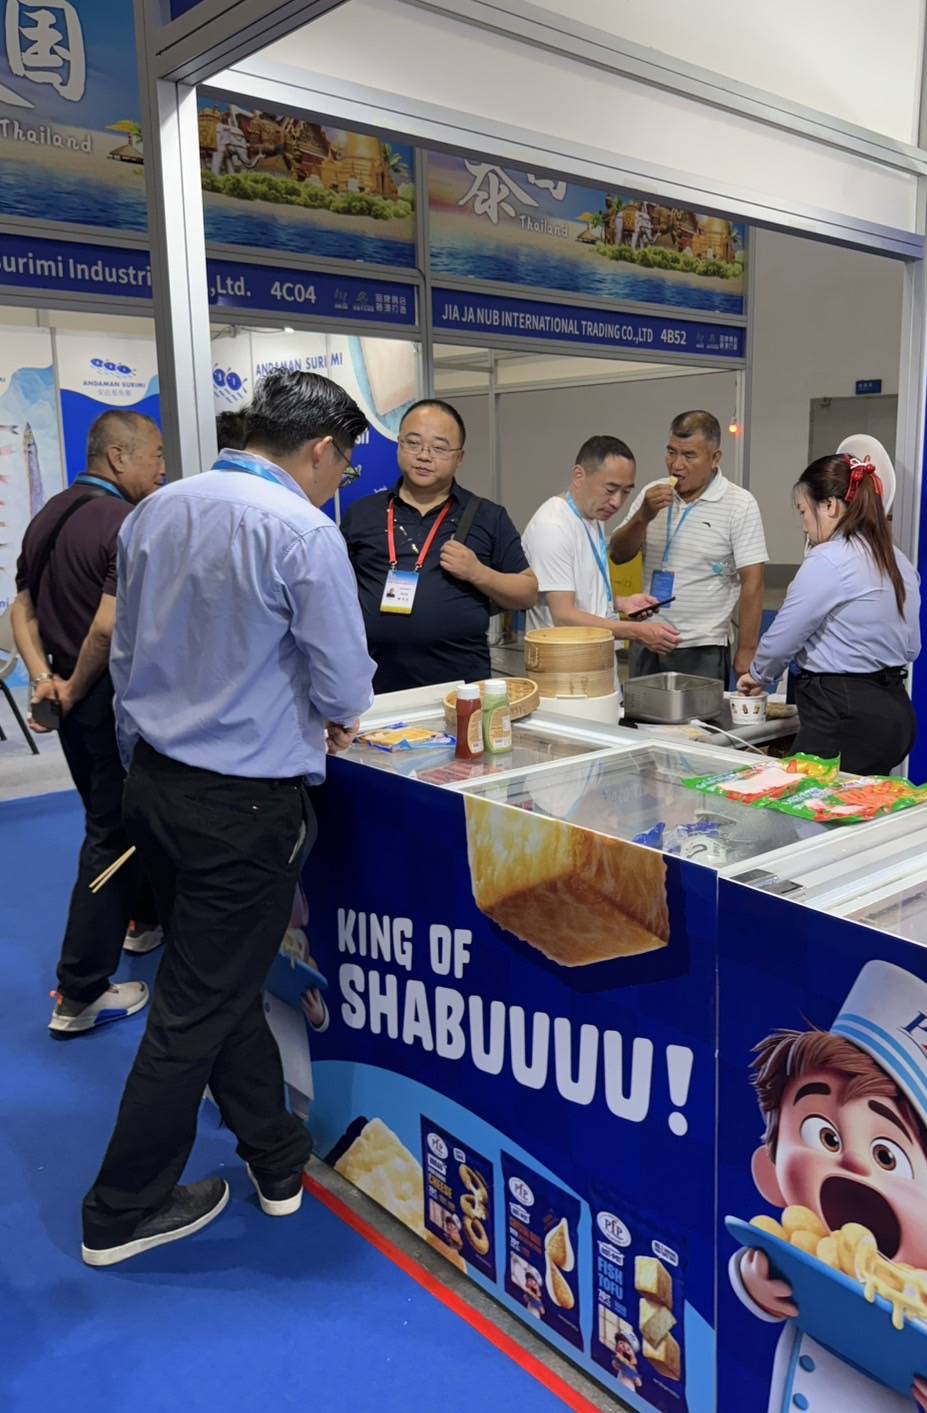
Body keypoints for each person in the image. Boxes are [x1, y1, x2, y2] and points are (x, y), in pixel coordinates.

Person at [80, 370, 377, 1268]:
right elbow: (346, 684)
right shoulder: (301, 530)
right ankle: (122, 1208)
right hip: (241, 806)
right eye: (345, 465)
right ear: (319, 449)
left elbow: (124, 654)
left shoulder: (156, 510)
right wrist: (333, 714)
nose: (341, 481)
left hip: (158, 783)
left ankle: (275, 1156)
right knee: (192, 1007)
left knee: (216, 983)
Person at [730, 958, 927, 1412]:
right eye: (826, 1137)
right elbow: (760, 1268)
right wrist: (752, 1281)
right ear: (769, 1169)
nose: (853, 1162)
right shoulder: (797, 1255)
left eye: (888, 1156)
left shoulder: (924, 1319)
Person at [11, 411, 166, 1036]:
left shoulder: (47, 515)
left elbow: (21, 609)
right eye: (155, 454)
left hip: (72, 698)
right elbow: (105, 627)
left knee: (126, 821)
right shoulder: (126, 522)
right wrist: (73, 687)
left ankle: (143, 920)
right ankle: (80, 993)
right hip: (106, 702)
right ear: (118, 457)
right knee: (111, 833)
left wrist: (42, 679)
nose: (162, 468)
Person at [738, 455, 920, 775]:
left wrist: (758, 675)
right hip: (894, 713)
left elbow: (784, 636)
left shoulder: (829, 559)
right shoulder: (897, 560)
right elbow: (911, 648)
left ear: (830, 506)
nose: (803, 525)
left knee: (795, 800)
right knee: (857, 802)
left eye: (803, 511)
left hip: (843, 716)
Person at [342, 399, 537, 694]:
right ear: (398, 446)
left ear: (459, 457)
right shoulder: (362, 514)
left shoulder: (487, 516)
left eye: (439, 448)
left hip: (462, 690)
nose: (424, 456)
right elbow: (335, 594)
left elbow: (528, 592)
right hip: (375, 689)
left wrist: (477, 573)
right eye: (413, 443)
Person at [610, 409, 767, 685]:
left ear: (715, 458)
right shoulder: (653, 493)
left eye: (689, 456)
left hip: (700, 645)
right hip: (646, 639)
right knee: (640, 713)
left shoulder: (739, 504)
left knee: (698, 715)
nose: (676, 465)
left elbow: (753, 582)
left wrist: (747, 650)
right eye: (671, 452)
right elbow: (618, 554)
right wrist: (643, 516)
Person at [522, 435, 680, 660]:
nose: (617, 502)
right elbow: (564, 616)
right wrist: (636, 632)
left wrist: (620, 603)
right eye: (610, 489)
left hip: (596, 659)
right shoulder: (552, 526)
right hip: (564, 665)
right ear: (579, 476)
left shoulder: (593, 516)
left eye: (626, 491)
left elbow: (581, 593)